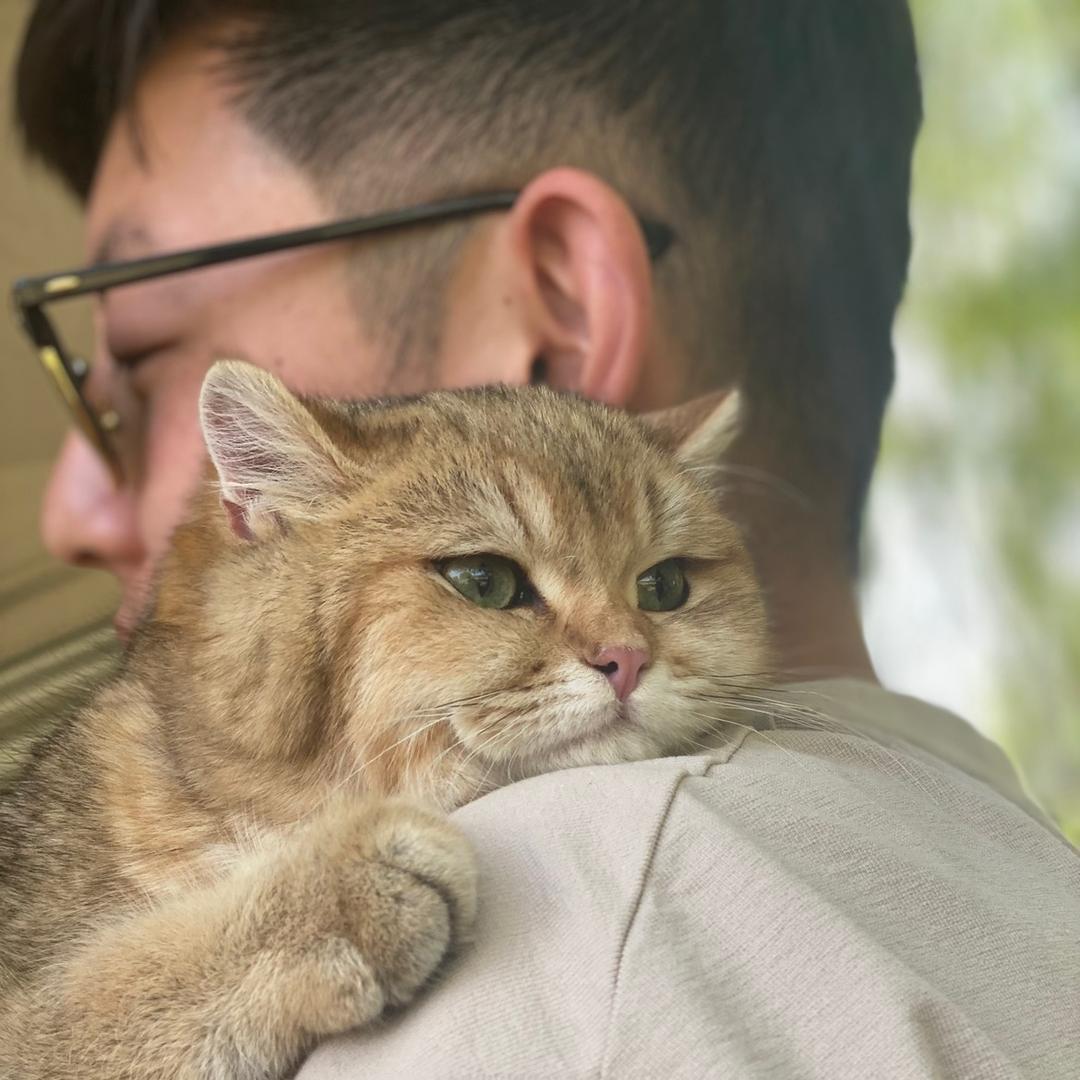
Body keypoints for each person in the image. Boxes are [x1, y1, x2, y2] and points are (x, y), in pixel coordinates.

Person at [11, 1, 1080, 1076]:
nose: (73, 509)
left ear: (563, 316)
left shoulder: (588, 924)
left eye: (144, 352)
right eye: (487, 575)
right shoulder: (1014, 877)